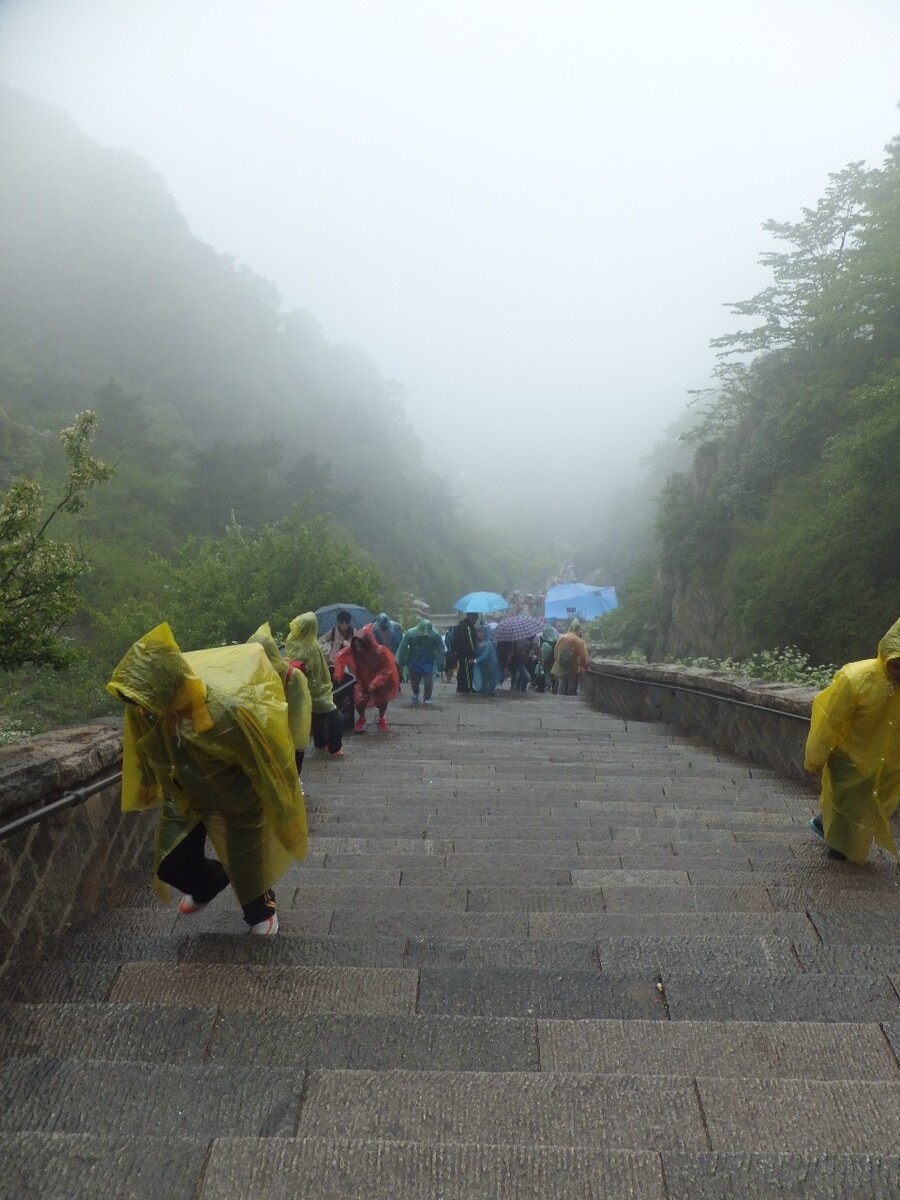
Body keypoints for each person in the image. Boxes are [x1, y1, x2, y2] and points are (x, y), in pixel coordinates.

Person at [106, 622, 308, 936]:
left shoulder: (225, 712)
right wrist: (148, 783)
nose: (139, 706)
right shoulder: (146, 711)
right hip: (186, 797)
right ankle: (210, 882)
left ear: (166, 685)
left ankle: (261, 906)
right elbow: (145, 749)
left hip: (237, 799)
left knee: (248, 870)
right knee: (171, 863)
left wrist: (283, 807)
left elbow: (264, 761)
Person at [804, 617, 900, 865]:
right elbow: (828, 721)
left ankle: (824, 824)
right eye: (897, 665)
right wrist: (815, 759)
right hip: (849, 759)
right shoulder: (856, 679)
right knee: (849, 810)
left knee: (866, 810)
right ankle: (837, 853)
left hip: (886, 766)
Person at [246, 622, 312, 775]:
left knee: (291, 776)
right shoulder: (256, 674)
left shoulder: (292, 676)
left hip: (289, 736)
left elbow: (299, 715)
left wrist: (289, 741)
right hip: (268, 737)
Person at [285, 611, 345, 758]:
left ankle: (321, 743)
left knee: (317, 715)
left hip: (298, 688)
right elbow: (308, 666)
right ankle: (334, 748)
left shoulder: (293, 639)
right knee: (336, 717)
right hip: (315, 688)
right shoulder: (309, 646)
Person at [335, 624, 400, 732]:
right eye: (355, 645)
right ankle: (362, 718)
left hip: (381, 683)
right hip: (363, 680)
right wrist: (338, 674)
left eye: (360, 645)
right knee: (359, 700)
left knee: (382, 701)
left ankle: (381, 718)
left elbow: (387, 669)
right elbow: (340, 657)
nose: (358, 648)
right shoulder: (354, 650)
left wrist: (377, 681)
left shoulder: (380, 652)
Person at [396, 617, 446, 705]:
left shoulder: (435, 635)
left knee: (428, 682)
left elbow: (440, 649)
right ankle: (415, 693)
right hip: (414, 660)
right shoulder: (410, 633)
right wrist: (401, 660)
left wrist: (440, 663)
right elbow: (402, 647)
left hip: (428, 660)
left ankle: (427, 697)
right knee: (414, 682)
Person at [551, 618, 591, 696]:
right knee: (571, 681)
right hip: (573, 665)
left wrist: (556, 659)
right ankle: (569, 698)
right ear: (578, 629)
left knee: (562, 681)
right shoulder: (579, 641)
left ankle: (559, 697)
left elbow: (556, 650)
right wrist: (585, 665)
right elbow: (583, 656)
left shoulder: (562, 637)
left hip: (561, 663)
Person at [452, 611, 480, 693]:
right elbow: (470, 641)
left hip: (460, 652)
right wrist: (473, 652)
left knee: (462, 670)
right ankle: (467, 687)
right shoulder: (468, 627)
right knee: (467, 671)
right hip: (466, 653)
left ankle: (461, 687)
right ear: (472, 617)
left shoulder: (461, 625)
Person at [472, 625, 501, 695]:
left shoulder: (488, 644)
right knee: (483, 688)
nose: (481, 634)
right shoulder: (475, 644)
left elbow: (485, 655)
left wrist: (475, 661)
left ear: (485, 634)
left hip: (492, 666)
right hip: (482, 667)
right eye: (479, 632)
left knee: (492, 685)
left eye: (483, 632)